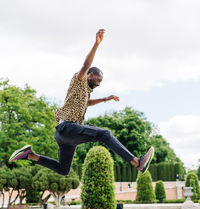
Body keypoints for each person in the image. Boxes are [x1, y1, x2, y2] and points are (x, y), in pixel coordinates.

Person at [9, 29, 154, 175]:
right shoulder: (79, 80)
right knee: (105, 135)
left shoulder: (84, 92)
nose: (98, 84)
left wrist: (105, 99)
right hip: (67, 127)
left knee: (64, 169)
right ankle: (137, 162)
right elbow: (86, 64)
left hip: (63, 136)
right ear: (90, 75)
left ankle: (30, 155)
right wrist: (96, 44)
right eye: (98, 80)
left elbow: (87, 103)